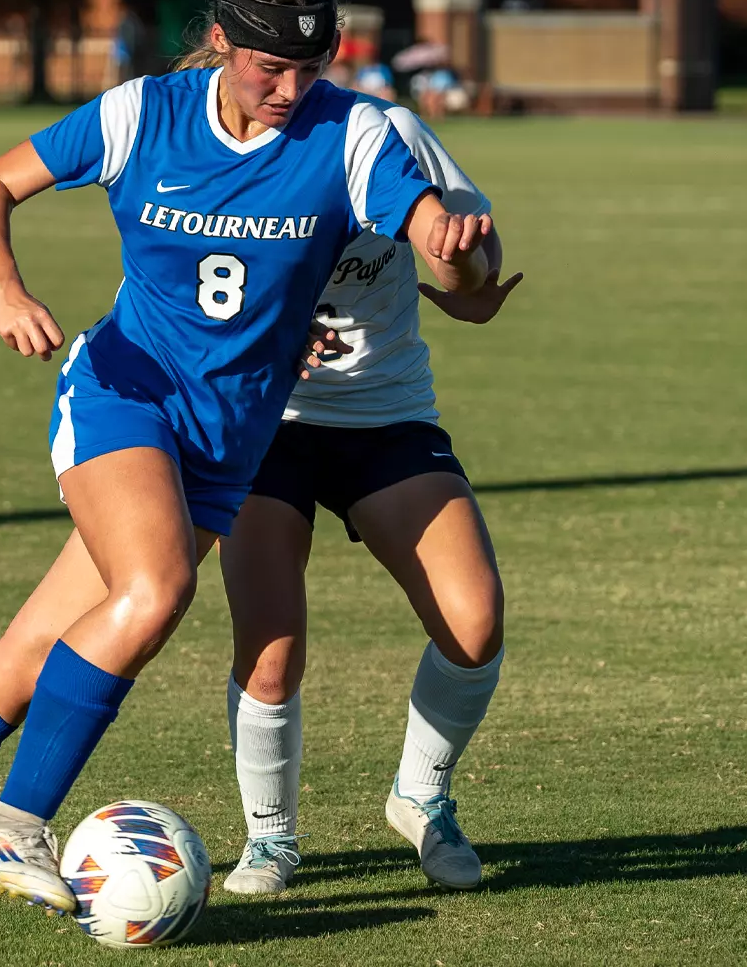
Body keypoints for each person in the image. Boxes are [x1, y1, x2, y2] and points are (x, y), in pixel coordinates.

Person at [0, 0, 493, 914]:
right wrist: (6, 290)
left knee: (36, 648)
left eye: (308, 65)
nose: (287, 87)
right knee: (157, 585)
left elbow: (432, 235)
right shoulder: (140, 115)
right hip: (124, 392)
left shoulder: (354, 135)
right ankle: (15, 828)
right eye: (265, 65)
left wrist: (457, 252)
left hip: (233, 435)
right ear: (219, 42)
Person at [215, 97, 523, 895]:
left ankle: (421, 797)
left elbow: (466, 255)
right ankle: (270, 840)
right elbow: (176, 291)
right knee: (272, 651)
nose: (289, 85)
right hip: (262, 419)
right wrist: (270, 339)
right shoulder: (211, 152)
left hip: (385, 414)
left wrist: (464, 275)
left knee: (474, 622)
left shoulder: (390, 133)